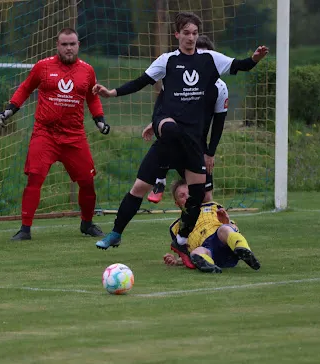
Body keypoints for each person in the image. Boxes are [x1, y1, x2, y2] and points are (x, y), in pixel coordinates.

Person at [93, 12, 268, 254]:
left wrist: (255, 58)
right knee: (140, 184)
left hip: (193, 143)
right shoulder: (167, 60)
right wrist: (112, 93)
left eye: (195, 33)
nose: (191, 37)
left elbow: (239, 64)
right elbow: (141, 81)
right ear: (177, 34)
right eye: (186, 33)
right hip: (168, 134)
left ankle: (183, 240)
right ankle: (116, 233)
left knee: (198, 195)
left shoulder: (209, 59)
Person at [0, 27, 110, 241]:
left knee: (87, 182)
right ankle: (25, 229)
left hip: (75, 136)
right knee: (35, 178)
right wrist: (10, 108)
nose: (69, 48)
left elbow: (92, 97)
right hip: (45, 134)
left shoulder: (87, 71)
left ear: (78, 46)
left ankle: (87, 224)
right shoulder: (43, 67)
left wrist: (100, 121)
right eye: (65, 44)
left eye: (73, 44)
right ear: (57, 46)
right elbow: (25, 88)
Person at [144, 34, 229, 204]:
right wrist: (155, 124)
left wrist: (210, 152)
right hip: (175, 139)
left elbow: (219, 123)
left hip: (197, 145)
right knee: (141, 185)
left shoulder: (220, 88)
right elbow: (164, 105)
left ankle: (201, 228)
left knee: (205, 196)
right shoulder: (179, 80)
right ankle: (160, 180)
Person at [164, 179, 260, 273]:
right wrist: (177, 261)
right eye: (182, 196)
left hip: (221, 242)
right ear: (177, 203)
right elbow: (185, 254)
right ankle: (209, 265)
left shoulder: (212, 206)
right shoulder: (176, 227)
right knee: (196, 253)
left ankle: (244, 250)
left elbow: (234, 229)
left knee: (224, 229)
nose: (187, 197)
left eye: (189, 193)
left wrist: (227, 222)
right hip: (207, 250)